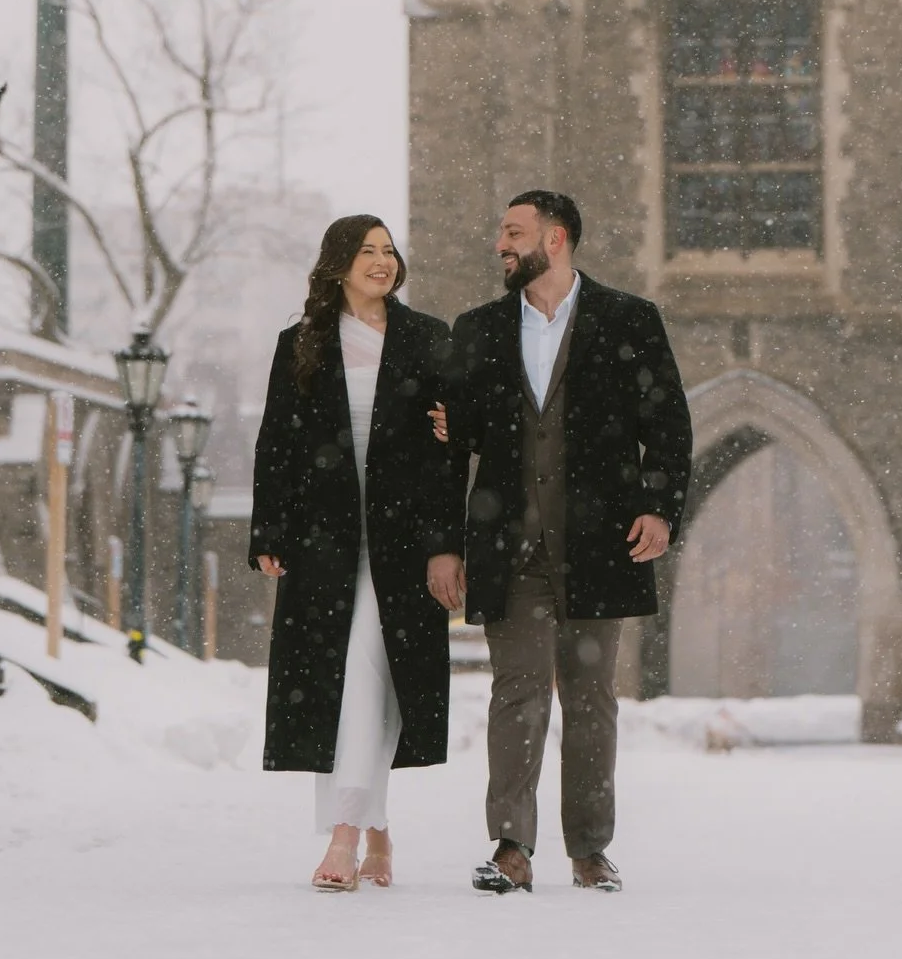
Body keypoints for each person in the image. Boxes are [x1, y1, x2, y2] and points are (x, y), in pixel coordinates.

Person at [431, 191, 693, 895]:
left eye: (513, 232)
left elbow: (666, 421)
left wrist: (660, 509)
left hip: (601, 544)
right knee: (516, 690)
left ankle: (589, 847)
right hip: (509, 544)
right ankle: (512, 845)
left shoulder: (628, 320)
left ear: (557, 238)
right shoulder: (478, 329)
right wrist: (443, 545)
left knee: (591, 696)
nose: (501, 245)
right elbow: (453, 446)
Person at [250, 215, 460, 891]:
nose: (381, 261)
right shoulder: (303, 342)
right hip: (326, 541)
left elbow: (447, 455)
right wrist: (269, 530)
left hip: (402, 542)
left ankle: (343, 835)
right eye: (366, 250)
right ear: (338, 263)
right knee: (345, 677)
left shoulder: (428, 339)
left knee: (368, 665)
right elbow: (276, 439)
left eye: (389, 250)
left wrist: (444, 542)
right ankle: (374, 832)